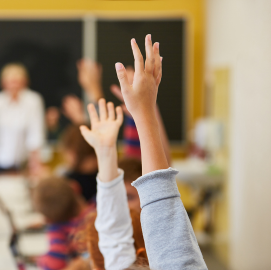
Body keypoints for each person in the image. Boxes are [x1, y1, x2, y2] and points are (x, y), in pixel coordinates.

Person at [80, 34, 207, 270]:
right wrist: (145, 111)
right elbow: (122, 242)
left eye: (129, 196)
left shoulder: (122, 255)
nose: (128, 206)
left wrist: (108, 152)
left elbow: (115, 242)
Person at [0, 63, 45, 173]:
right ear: (3, 83)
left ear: (25, 82)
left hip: (21, 163)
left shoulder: (33, 101)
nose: (14, 85)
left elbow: (36, 133)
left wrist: (35, 162)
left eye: (17, 81)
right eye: (11, 82)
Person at [33, 176, 95, 270]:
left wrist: (41, 260)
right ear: (75, 187)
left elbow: (54, 265)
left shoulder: (59, 230)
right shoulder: (97, 210)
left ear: (48, 219)